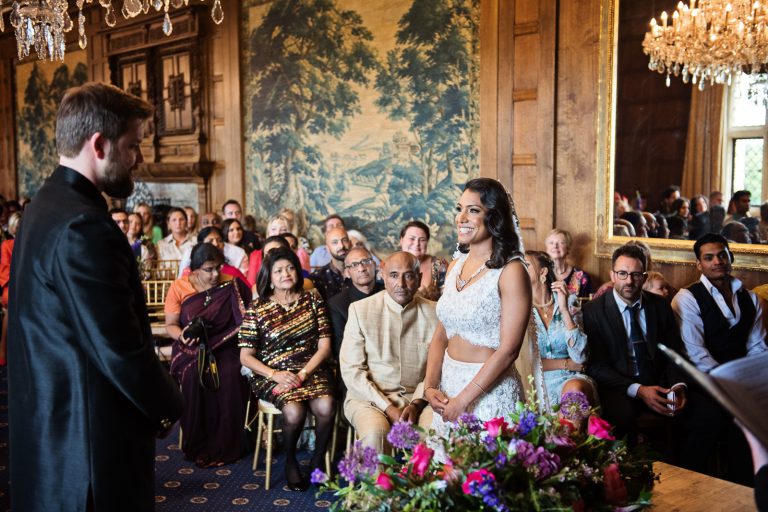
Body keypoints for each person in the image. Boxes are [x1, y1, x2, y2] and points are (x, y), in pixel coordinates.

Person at [8, 82, 183, 512]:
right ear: (100, 144)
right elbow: (117, 345)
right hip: (88, 447)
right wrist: (168, 405)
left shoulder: (45, 206)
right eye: (133, 145)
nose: (139, 158)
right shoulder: (82, 226)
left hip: (52, 428)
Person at [423, 178, 530, 434]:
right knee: (446, 471)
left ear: (494, 217)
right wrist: (429, 386)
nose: (461, 217)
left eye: (473, 210)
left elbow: (509, 350)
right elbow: (441, 334)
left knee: (486, 472)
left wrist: (464, 400)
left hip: (489, 393)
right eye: (460, 209)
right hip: (448, 388)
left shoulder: (512, 271)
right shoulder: (455, 266)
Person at [671, 234, 767, 482]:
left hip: (740, 382)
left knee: (752, 417)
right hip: (701, 382)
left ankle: (745, 488)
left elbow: (757, 347)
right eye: (709, 257)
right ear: (699, 264)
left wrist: (749, 384)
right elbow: (696, 354)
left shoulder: (751, 299)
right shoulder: (687, 298)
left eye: (722, 254)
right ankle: (689, 486)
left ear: (730, 257)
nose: (717, 261)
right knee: (713, 418)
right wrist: (729, 386)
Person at [239, 247, 335, 491]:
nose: (286, 274)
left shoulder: (312, 298)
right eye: (279, 270)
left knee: (327, 406)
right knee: (294, 412)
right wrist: (274, 374)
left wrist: (303, 374)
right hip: (272, 373)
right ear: (269, 277)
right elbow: (245, 356)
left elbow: (324, 346)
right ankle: (290, 461)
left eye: (291, 268)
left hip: (310, 369)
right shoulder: (258, 307)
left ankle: (317, 462)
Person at [583, 244, 687, 443]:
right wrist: (638, 390)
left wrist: (677, 386)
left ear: (645, 277)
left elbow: (673, 352)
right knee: (622, 417)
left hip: (659, 382)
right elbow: (596, 366)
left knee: (697, 413)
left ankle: (680, 471)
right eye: (622, 273)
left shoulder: (660, 305)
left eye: (636, 274)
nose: (629, 281)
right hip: (618, 387)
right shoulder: (593, 311)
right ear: (612, 275)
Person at [165, 243, 252, 468]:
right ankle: (199, 444)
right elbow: (171, 325)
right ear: (194, 269)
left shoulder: (232, 284)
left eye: (218, 268)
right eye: (208, 269)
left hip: (226, 346)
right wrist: (184, 336)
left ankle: (228, 445)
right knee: (195, 376)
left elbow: (247, 321)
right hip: (191, 347)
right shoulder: (180, 287)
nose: (215, 275)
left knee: (231, 375)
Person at [340, 251, 436, 452]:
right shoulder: (360, 310)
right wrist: (387, 407)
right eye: (393, 275)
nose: (401, 283)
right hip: (368, 398)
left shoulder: (435, 313)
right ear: (382, 276)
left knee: (434, 433)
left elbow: (438, 369)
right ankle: (376, 484)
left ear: (419, 279)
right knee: (376, 433)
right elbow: (352, 371)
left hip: (421, 398)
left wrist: (417, 404)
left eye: (409, 275)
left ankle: (426, 484)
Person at [524, 250, 595, 415]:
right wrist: (565, 363)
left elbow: (580, 358)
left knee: (574, 392)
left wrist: (563, 310)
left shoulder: (568, 301)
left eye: (526, 265)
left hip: (569, 379)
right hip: (533, 381)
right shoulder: (520, 308)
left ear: (543, 272)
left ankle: (570, 440)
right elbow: (523, 361)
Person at [327, 247, 384, 359]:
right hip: (354, 363)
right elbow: (340, 348)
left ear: (374, 265)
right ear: (347, 273)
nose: (361, 268)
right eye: (354, 265)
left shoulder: (388, 294)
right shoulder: (337, 304)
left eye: (365, 262)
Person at [178, 227, 249, 284]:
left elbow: (247, 293)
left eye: (220, 240)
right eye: (210, 241)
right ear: (200, 245)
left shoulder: (232, 272)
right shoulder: (190, 272)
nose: (216, 244)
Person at [399, 220, 448, 300]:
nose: (416, 244)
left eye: (422, 240)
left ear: (427, 242)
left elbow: (448, 299)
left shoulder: (439, 265)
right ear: (401, 240)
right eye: (412, 238)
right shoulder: (389, 264)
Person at [544, 228, 592, 298]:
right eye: (551, 243)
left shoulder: (582, 277)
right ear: (546, 248)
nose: (555, 246)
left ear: (568, 248)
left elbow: (587, 306)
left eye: (561, 243)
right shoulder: (540, 275)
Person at [0, 212, 20, 367]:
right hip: (11, 285)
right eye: (18, 227)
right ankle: (2, 349)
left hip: (26, 283)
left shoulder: (30, 244)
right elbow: (5, 270)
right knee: (12, 302)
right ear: (13, 228)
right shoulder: (7, 245)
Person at [310, 226, 351, 300]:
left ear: (350, 244)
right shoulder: (318, 278)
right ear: (327, 249)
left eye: (344, 240)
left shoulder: (360, 270)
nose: (341, 246)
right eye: (335, 242)